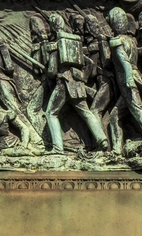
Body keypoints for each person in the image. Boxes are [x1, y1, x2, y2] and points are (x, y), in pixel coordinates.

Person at [43, 13, 108, 154]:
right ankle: (102, 139)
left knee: (51, 113)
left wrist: (47, 68)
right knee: (86, 112)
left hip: (63, 83)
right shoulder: (75, 42)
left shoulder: (55, 45)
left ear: (53, 27)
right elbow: (90, 63)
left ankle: (57, 148)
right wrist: (83, 78)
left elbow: (52, 72)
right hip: (77, 84)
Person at [104, 7, 142, 156]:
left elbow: (124, 60)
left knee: (138, 112)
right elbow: (138, 53)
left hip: (127, 82)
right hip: (133, 80)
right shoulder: (131, 40)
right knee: (114, 116)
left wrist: (129, 78)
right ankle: (117, 151)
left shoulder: (116, 41)